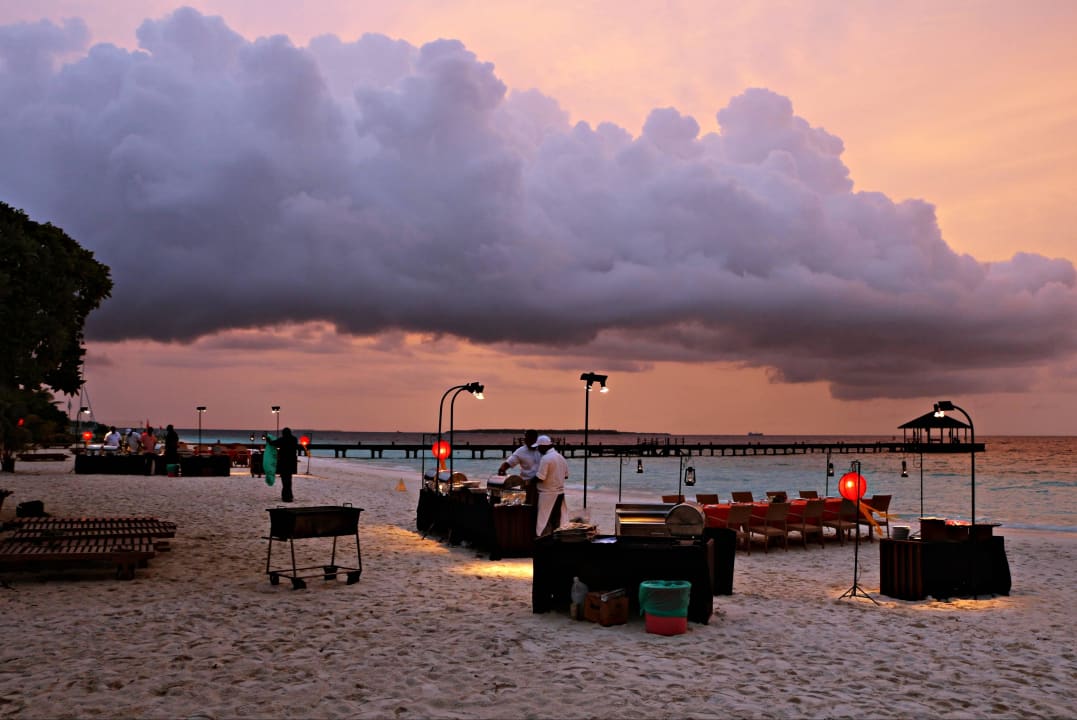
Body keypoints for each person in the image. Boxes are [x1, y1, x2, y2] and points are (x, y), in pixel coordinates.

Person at [533, 435, 569, 536]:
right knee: (557, 519)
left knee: (543, 521)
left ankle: (542, 539)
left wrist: (529, 481)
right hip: (560, 493)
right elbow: (566, 476)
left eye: (538, 447)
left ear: (544, 446)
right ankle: (557, 538)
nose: (538, 449)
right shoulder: (561, 457)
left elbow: (541, 477)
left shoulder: (546, 459)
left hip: (547, 493)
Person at [498, 429, 541, 502]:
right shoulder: (521, 451)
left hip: (543, 485)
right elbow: (508, 463)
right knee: (528, 508)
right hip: (527, 485)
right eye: (526, 438)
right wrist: (502, 470)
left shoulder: (542, 450)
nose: (526, 440)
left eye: (529, 438)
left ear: (536, 439)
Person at [269, 427, 299, 502]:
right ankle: (289, 495)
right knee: (289, 480)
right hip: (291, 462)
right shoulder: (294, 439)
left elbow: (274, 443)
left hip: (284, 462)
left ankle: (286, 496)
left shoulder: (283, 439)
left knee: (285, 480)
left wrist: (269, 440)